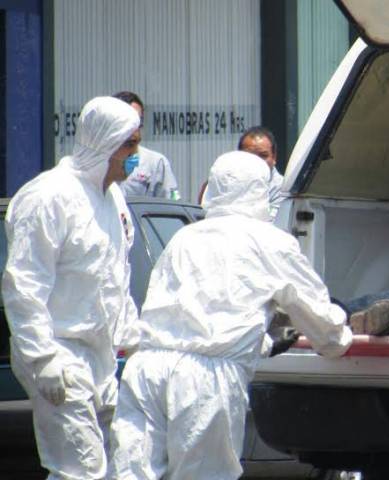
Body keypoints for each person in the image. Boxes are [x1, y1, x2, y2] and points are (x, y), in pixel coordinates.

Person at [107, 151, 352, 479]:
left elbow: (191, 315)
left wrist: (265, 344)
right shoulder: (270, 242)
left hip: (146, 370)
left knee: (131, 473)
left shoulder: (185, 237)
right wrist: (340, 335)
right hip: (204, 383)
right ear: (260, 190)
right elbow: (320, 321)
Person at [2, 96, 142, 479]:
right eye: (130, 145)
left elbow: (116, 277)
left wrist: (133, 339)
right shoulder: (48, 197)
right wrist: (43, 358)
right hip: (57, 352)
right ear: (106, 143)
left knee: (118, 465)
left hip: (99, 355)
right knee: (80, 469)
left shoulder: (112, 199)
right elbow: (24, 284)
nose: (136, 155)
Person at [198, 126, 285, 219]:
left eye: (263, 155)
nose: (256, 161)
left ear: (274, 157)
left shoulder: (284, 190)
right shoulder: (225, 181)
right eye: (249, 155)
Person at [114, 91, 181, 200]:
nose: (134, 126)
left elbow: (173, 202)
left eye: (138, 121)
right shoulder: (99, 162)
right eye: (128, 120)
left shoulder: (156, 163)